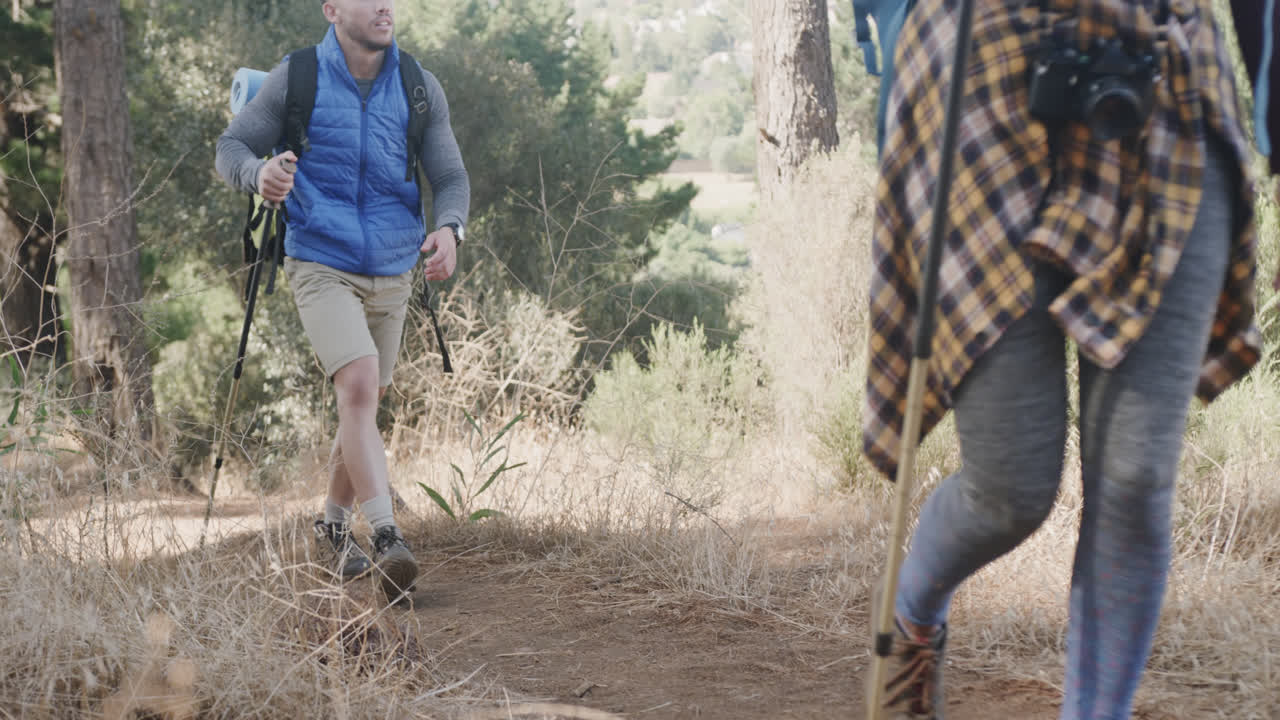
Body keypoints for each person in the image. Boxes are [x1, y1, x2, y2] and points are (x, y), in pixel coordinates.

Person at [862, 0, 1276, 717]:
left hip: (1166, 77)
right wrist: (901, 40)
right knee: (1010, 492)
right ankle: (914, 619)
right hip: (981, 78)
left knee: (1136, 476)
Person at [215, 0, 469, 603]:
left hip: (393, 266)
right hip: (319, 260)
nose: (386, 6)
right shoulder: (296, 76)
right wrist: (260, 174)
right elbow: (232, 147)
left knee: (365, 403)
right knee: (357, 385)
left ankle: (331, 525)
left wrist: (450, 230)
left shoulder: (419, 86)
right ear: (332, 9)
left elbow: (450, 179)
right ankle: (387, 537)